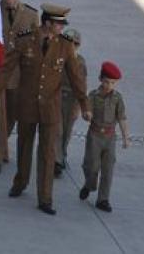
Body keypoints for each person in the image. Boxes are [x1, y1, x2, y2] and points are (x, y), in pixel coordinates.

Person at [8, 4, 90, 216]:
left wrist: (84, 104)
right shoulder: (25, 39)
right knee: (24, 145)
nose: (62, 28)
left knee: (47, 152)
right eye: (59, 24)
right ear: (47, 23)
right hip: (27, 103)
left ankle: (45, 197)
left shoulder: (65, 46)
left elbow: (76, 78)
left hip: (50, 108)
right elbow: (7, 67)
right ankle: (21, 181)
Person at [0, 0, 38, 175]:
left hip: (18, 74)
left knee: (12, 116)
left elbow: (35, 45)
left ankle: (1, 144)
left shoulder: (31, 15)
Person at [78, 61, 130, 213]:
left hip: (110, 137)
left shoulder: (117, 98)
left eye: (113, 83)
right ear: (101, 79)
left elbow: (122, 118)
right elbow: (87, 111)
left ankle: (103, 199)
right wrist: (87, 115)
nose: (109, 85)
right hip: (95, 135)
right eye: (107, 82)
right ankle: (89, 185)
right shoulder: (93, 96)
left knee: (108, 169)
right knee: (91, 165)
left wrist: (126, 137)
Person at [54, 28, 86, 178]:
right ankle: (57, 160)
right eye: (68, 43)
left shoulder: (80, 62)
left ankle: (62, 154)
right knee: (58, 130)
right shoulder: (57, 58)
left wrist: (79, 106)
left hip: (72, 99)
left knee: (66, 132)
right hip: (57, 96)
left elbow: (82, 86)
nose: (71, 46)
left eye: (75, 44)